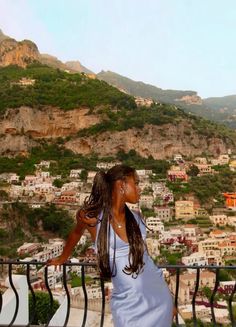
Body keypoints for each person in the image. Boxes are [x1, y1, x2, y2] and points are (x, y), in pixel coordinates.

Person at [48, 164, 174, 327]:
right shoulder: (92, 217)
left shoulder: (137, 217)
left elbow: (145, 258)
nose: (139, 188)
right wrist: (62, 257)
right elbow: (75, 234)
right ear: (122, 185)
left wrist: (169, 298)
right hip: (126, 303)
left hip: (156, 296)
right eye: (135, 183)